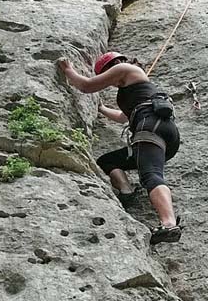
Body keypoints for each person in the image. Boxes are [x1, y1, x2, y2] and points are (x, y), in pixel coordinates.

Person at [58, 52, 181, 245]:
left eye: (107, 74)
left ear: (111, 66)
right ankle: (126, 190)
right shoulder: (135, 86)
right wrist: (101, 109)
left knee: (151, 175)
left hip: (150, 126)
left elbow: (86, 85)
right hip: (164, 133)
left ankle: (168, 223)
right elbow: (123, 117)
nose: (111, 82)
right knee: (108, 161)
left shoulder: (123, 69)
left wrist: (68, 70)